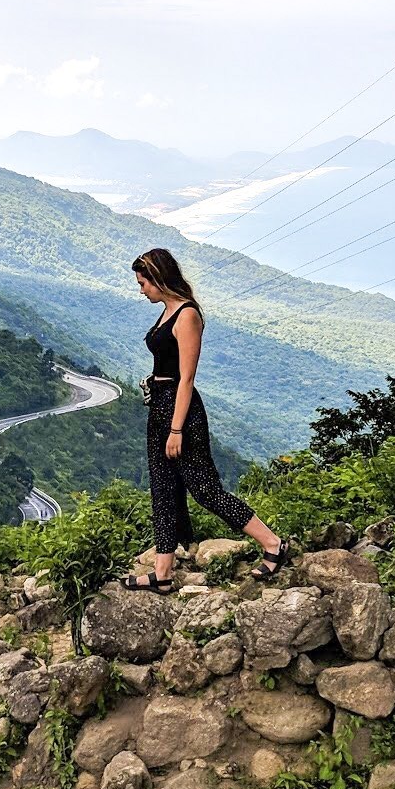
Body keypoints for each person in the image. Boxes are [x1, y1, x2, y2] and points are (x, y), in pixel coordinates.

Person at [122, 246, 288, 592]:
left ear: (158, 278)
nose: (141, 291)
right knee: (163, 490)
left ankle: (273, 543)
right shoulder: (167, 311)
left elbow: (186, 378)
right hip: (160, 408)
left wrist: (177, 428)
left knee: (205, 490)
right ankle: (163, 572)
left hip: (181, 412)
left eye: (143, 284)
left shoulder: (186, 315)